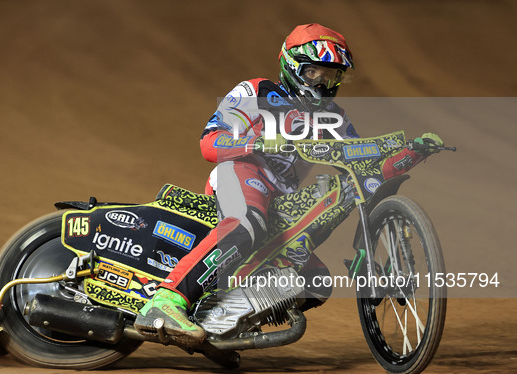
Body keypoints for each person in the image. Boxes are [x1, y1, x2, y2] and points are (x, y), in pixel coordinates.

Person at [134, 23, 443, 346]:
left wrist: (412, 153)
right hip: (242, 172)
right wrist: (259, 141)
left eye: (332, 76)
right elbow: (210, 142)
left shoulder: (334, 117)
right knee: (247, 223)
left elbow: (363, 169)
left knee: (315, 280)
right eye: (315, 74)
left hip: (284, 199)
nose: (324, 84)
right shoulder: (256, 92)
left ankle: (218, 321)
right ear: (293, 66)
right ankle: (165, 302)